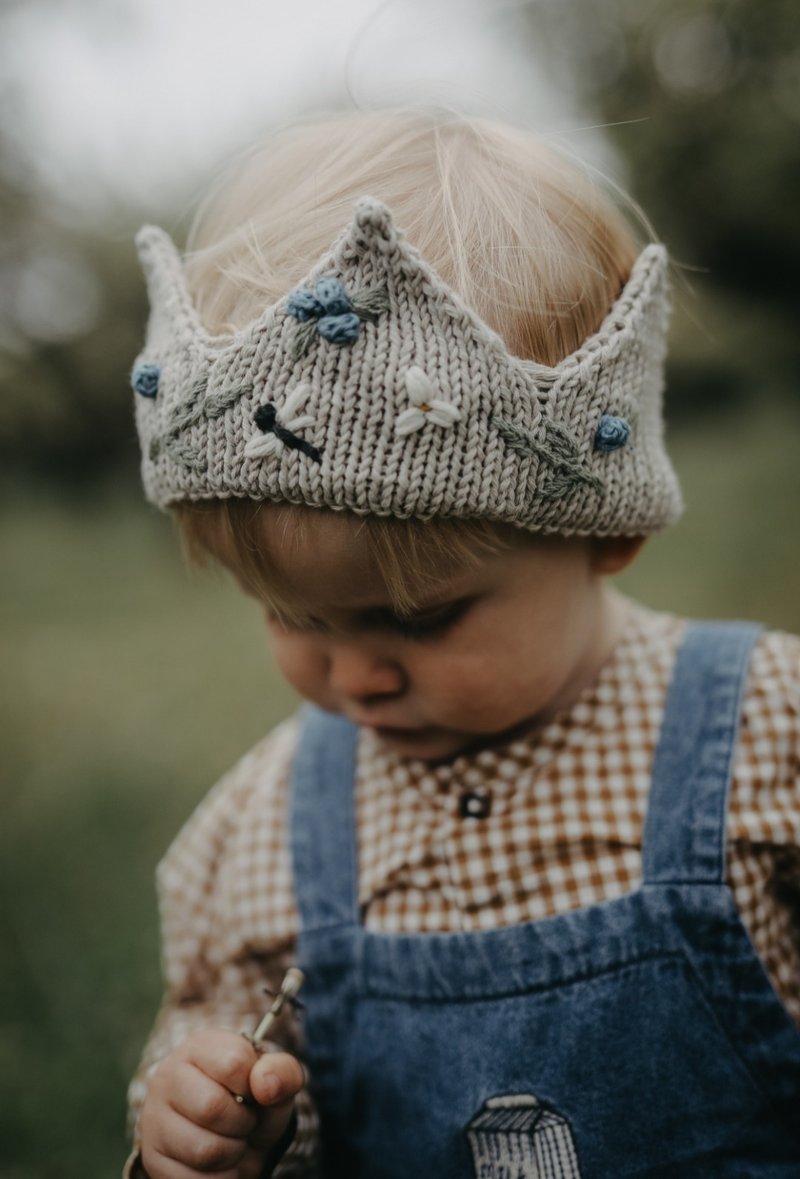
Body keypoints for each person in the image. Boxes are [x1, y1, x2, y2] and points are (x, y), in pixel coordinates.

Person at [125, 109, 800, 1178]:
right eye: (296, 619)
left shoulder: (771, 730)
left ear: (605, 531)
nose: (352, 676)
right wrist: (208, 1119)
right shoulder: (251, 834)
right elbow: (216, 1036)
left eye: (421, 617)